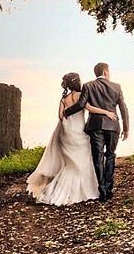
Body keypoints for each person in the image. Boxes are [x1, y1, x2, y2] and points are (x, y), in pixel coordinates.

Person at [26, 72, 116, 205]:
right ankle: (86, 189)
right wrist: (106, 112)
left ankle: (61, 191)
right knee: (84, 159)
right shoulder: (81, 96)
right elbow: (90, 108)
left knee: (71, 163)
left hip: (67, 132)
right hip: (79, 131)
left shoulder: (63, 99)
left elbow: (61, 116)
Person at [63, 61, 129, 200]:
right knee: (110, 155)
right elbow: (123, 108)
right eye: (109, 72)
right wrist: (126, 128)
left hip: (95, 126)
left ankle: (102, 189)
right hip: (112, 126)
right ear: (105, 72)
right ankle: (109, 188)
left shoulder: (88, 85)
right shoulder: (116, 87)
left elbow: (81, 104)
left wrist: (67, 112)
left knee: (97, 157)